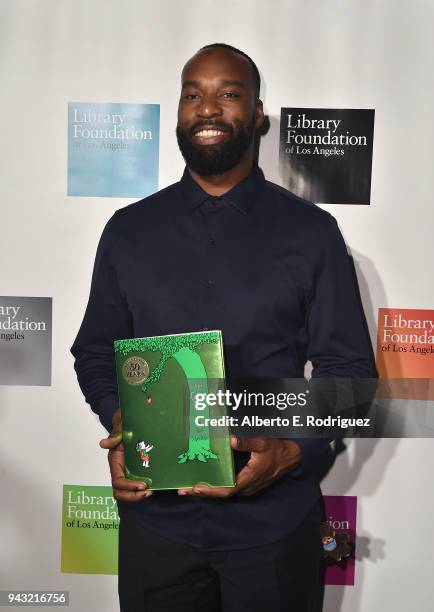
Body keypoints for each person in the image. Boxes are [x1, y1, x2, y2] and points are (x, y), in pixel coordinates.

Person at [71, 43, 375, 611]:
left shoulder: (312, 234)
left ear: (258, 113)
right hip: (156, 528)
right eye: (193, 95)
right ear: (179, 112)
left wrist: (290, 451)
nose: (208, 108)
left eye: (228, 94)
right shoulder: (128, 233)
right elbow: (94, 353)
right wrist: (123, 421)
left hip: (274, 531)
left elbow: (350, 375)